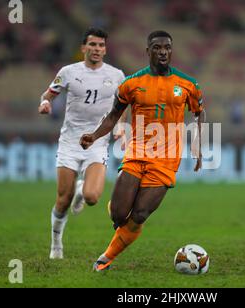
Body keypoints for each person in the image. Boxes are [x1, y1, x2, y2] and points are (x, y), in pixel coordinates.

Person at [80, 30, 205, 271]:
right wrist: (94, 136)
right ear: (148, 51)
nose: (163, 52)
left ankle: (105, 258)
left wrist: (198, 143)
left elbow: (200, 112)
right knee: (119, 215)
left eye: (167, 48)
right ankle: (119, 217)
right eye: (157, 48)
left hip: (166, 159)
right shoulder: (132, 84)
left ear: (171, 51)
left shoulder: (187, 84)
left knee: (139, 214)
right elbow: (114, 115)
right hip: (137, 153)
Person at [38, 28, 126, 259]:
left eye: (101, 45)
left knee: (92, 197)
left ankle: (81, 189)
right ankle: (56, 242)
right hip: (69, 143)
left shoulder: (116, 75)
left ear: (105, 49)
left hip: (96, 142)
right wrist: (45, 103)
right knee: (62, 200)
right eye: (93, 45)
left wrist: (120, 127)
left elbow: (123, 105)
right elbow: (48, 94)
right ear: (84, 48)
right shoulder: (68, 72)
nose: (97, 49)